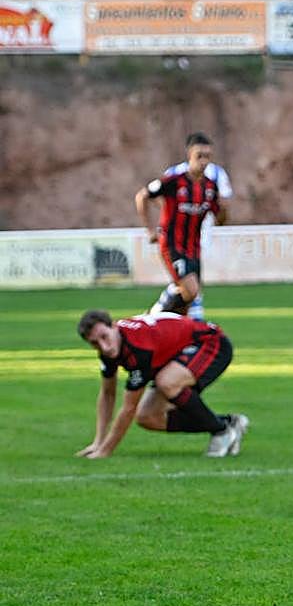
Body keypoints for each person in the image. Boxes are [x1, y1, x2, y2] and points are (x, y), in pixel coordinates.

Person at [76, 310, 248, 459]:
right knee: (147, 417)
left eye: (104, 337)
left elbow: (128, 408)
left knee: (167, 382)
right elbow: (108, 394)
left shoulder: (138, 348)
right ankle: (227, 424)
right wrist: (98, 442)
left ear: (114, 326)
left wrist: (105, 451)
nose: (104, 347)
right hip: (179, 353)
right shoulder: (109, 350)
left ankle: (221, 432)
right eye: (95, 343)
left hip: (211, 343)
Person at [137, 133, 227, 319]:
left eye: (207, 157)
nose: (203, 161)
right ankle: (155, 312)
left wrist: (224, 209)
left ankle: (166, 329)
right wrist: (150, 229)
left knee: (186, 301)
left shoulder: (210, 187)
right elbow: (142, 196)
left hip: (194, 248)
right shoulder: (173, 181)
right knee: (191, 290)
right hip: (171, 244)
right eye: (199, 156)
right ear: (189, 155)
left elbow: (220, 220)